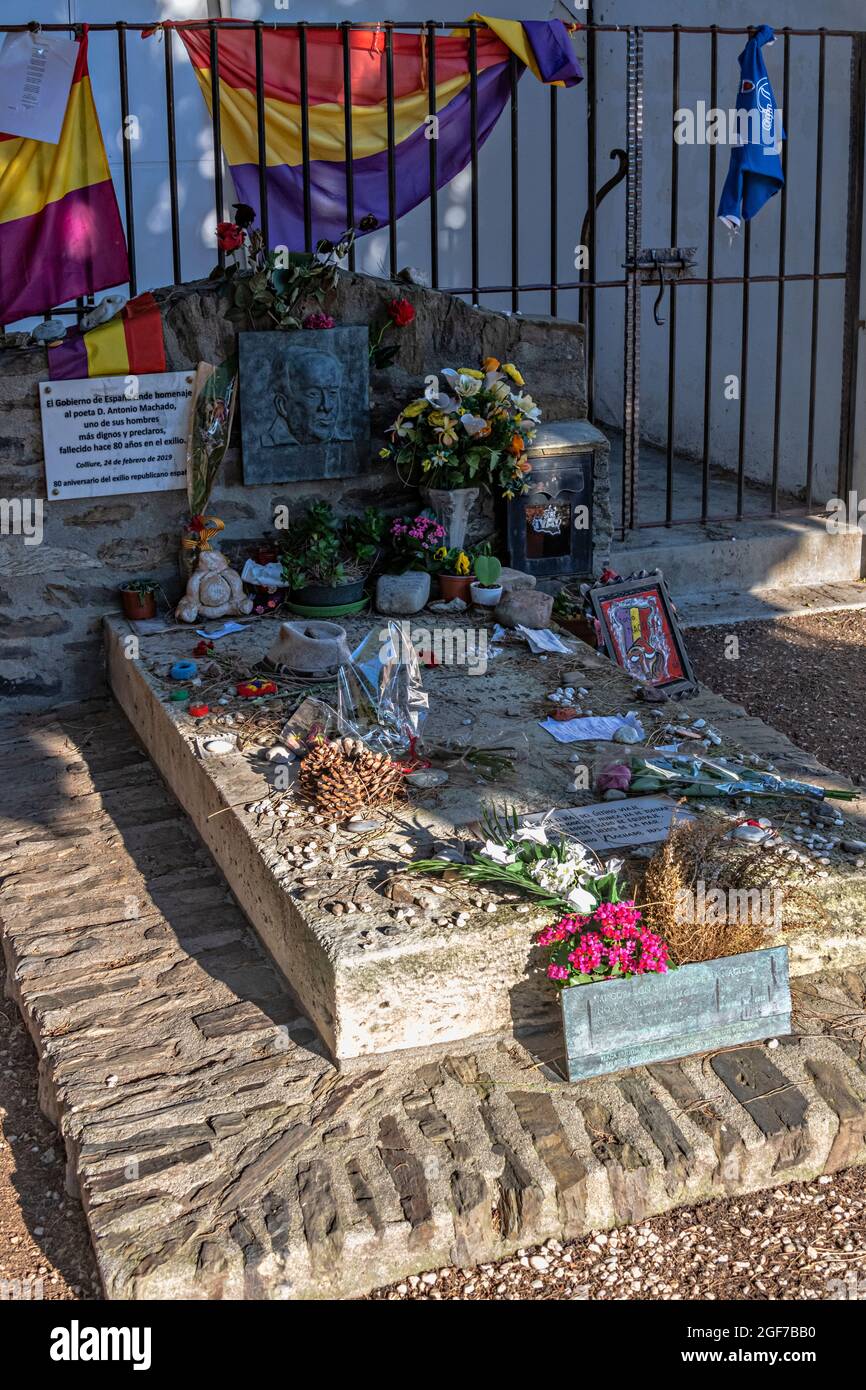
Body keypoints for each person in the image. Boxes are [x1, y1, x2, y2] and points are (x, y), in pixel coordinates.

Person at [261, 348, 350, 448]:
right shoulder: (260, 445)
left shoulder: (348, 443)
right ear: (282, 405)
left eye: (332, 393)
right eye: (313, 394)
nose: (326, 406)